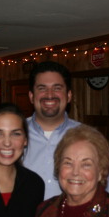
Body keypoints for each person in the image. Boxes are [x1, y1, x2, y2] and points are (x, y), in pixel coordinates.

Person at [23, 61, 81, 200]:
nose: (49, 95)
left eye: (57, 88)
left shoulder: (88, 137)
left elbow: (105, 189)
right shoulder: (13, 135)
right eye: (42, 88)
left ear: (68, 96)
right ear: (31, 96)